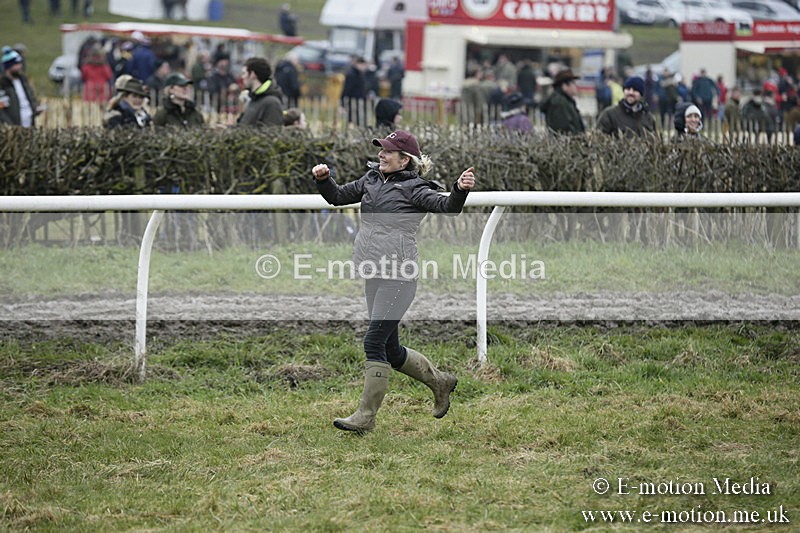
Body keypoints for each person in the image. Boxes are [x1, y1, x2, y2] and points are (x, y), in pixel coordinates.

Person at [311, 131, 475, 434]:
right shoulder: (371, 180)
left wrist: (459, 189)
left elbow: (448, 207)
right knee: (390, 347)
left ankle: (365, 416)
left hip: (399, 276)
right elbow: (336, 197)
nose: (381, 155)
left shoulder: (415, 188)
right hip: (373, 271)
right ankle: (440, 381)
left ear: (404, 160)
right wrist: (324, 179)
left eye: (388, 152)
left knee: (373, 342)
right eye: (381, 151)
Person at [237, 56, 284, 127]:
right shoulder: (252, 100)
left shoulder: (272, 103)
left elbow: (272, 134)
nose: (242, 77)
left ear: (253, 75)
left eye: (244, 73)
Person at [0, 46, 39, 127]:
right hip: (13, 128)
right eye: (17, 64)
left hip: (29, 125)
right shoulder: (3, 84)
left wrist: (35, 108)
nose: (20, 66)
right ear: (9, 66)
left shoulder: (23, 81)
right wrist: (10, 126)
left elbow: (31, 98)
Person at [540, 68, 584, 134]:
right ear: (564, 86)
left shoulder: (566, 100)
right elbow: (563, 129)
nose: (576, 86)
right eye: (573, 83)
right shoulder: (559, 102)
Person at [341, 56, 368, 127]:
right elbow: (347, 89)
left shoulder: (360, 74)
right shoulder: (352, 75)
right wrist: (343, 103)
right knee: (353, 119)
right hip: (353, 101)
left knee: (360, 120)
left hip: (360, 101)